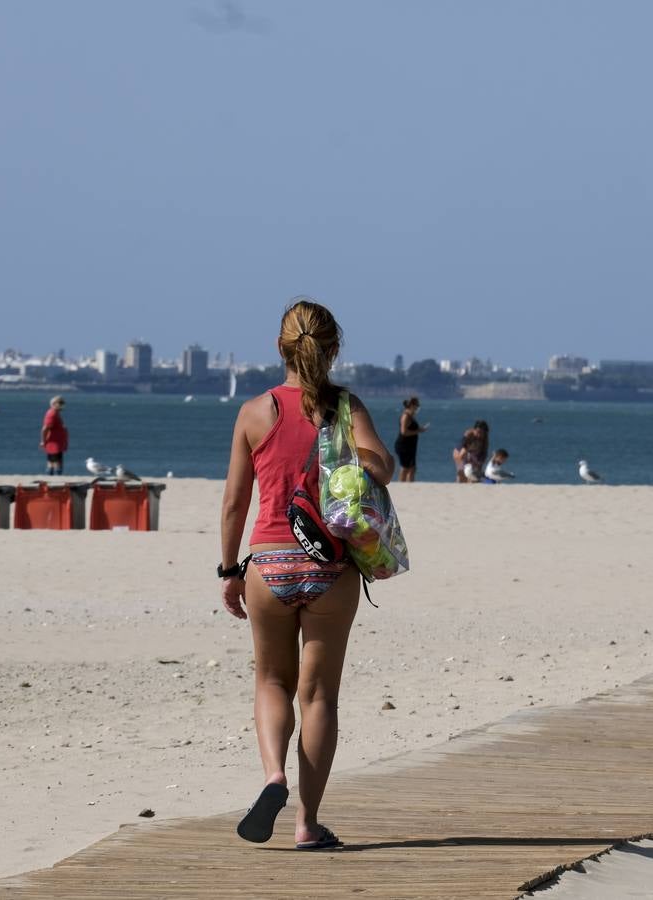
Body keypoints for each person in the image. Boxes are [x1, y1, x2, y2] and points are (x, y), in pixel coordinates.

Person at [218, 299, 394, 850]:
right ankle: (306, 824)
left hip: (268, 564)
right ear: (333, 348)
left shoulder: (255, 411)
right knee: (318, 697)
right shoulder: (345, 407)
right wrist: (344, 459)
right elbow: (383, 468)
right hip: (331, 566)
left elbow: (233, 503)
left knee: (271, 681)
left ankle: (273, 775)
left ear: (280, 347)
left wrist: (229, 570)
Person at [394, 397, 428, 482]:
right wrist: (418, 431)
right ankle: (402, 485)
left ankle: (410, 485)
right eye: (416, 406)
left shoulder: (411, 416)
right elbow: (404, 432)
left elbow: (411, 428)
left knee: (412, 468)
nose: (417, 408)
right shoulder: (406, 416)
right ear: (412, 405)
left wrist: (420, 429)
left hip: (410, 446)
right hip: (404, 445)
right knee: (405, 468)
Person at [39, 395, 68, 476]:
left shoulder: (55, 413)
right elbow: (45, 428)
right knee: (55, 461)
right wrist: (43, 441)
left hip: (57, 442)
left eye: (63, 403)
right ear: (54, 404)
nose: (62, 405)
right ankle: (55, 477)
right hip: (53, 443)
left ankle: (52, 476)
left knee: (53, 460)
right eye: (60, 403)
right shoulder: (52, 414)